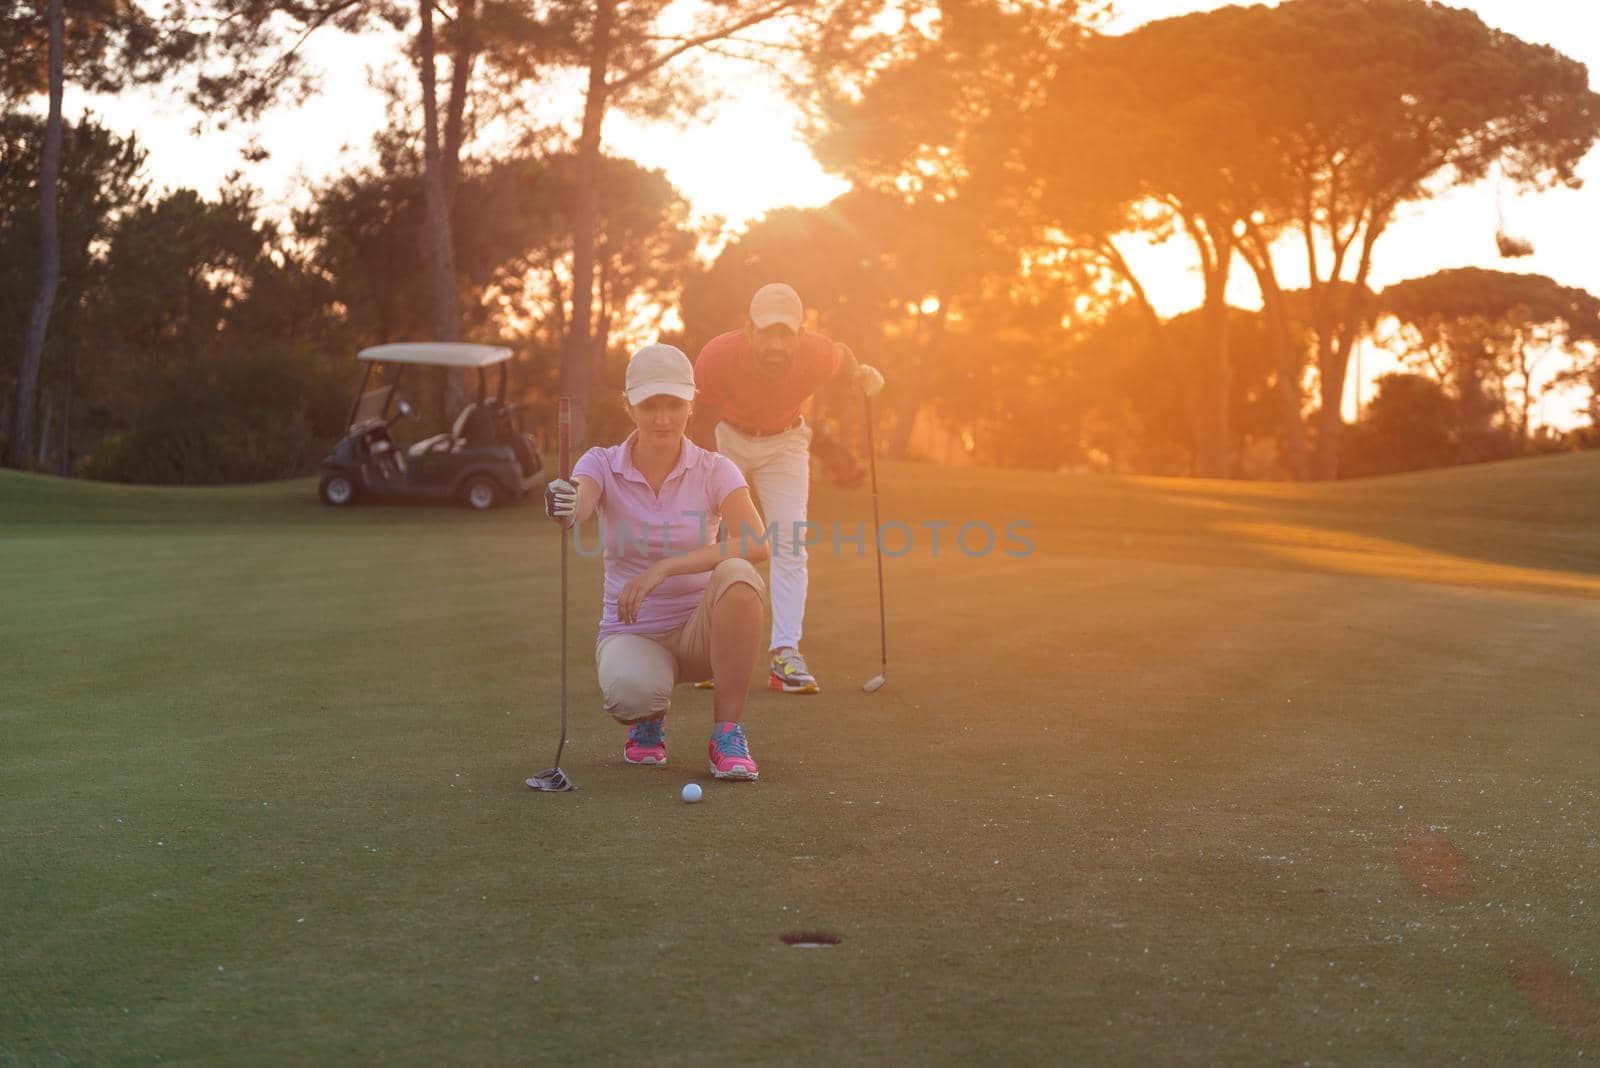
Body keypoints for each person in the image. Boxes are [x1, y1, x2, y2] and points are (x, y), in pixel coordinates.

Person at [543, 344, 771, 781]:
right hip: (633, 630)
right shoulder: (601, 463)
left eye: (673, 404)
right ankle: (649, 718)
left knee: (740, 576)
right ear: (629, 406)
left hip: (701, 632)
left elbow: (757, 542)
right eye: (650, 404)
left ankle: (726, 734)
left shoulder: (714, 468)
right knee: (633, 695)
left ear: (691, 405)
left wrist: (664, 568)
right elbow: (582, 502)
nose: (662, 417)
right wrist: (565, 503)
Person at [692, 282, 885, 694]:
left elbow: (844, 358)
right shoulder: (719, 355)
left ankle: (784, 653)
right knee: (711, 536)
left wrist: (862, 375)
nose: (777, 343)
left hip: (786, 443)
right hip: (728, 437)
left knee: (790, 542)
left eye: (786, 333)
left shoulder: (818, 353)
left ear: (800, 334)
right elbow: (695, 411)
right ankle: (705, 648)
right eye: (768, 331)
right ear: (749, 329)